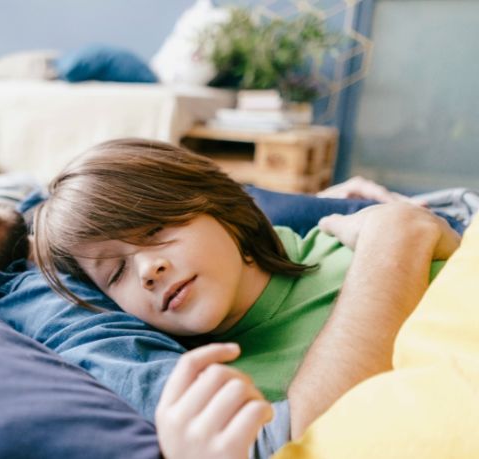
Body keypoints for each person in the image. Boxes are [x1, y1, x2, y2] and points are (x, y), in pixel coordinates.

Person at [0, 161, 459, 458]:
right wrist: (390, 241)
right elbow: (267, 440)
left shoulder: (13, 207)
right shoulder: (49, 308)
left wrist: (317, 206)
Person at [31, 138, 460, 458]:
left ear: (215, 204)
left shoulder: (344, 240)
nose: (147, 271)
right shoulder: (224, 398)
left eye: (153, 231)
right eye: (116, 273)